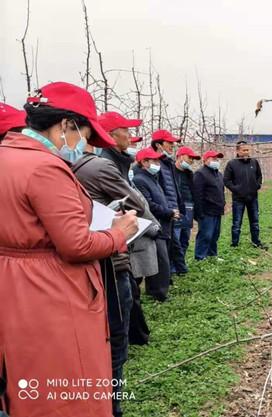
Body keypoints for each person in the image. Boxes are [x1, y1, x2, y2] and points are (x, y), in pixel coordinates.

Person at [0, 81, 138, 417]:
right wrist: (119, 233)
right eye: (86, 136)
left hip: (16, 287)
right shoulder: (45, 167)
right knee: (68, 385)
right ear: (66, 125)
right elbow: (76, 243)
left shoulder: (8, 156)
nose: (85, 146)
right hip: (51, 292)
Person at [73, 111, 147, 417]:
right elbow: (138, 204)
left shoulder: (75, 166)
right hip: (108, 260)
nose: (129, 138)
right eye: (125, 132)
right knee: (114, 340)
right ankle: (110, 406)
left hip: (93, 262)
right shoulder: (100, 167)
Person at [132, 147, 176, 301]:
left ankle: (155, 289)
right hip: (154, 225)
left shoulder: (152, 178)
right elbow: (147, 205)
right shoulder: (139, 179)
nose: (158, 164)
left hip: (162, 223)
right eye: (155, 160)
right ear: (144, 162)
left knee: (161, 258)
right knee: (161, 259)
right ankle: (159, 293)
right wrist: (167, 212)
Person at [151, 129, 186, 275]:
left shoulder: (167, 162)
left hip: (171, 211)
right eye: (169, 143)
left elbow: (173, 188)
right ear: (159, 144)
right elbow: (158, 192)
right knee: (165, 247)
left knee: (173, 244)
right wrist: (168, 210)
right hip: (162, 213)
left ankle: (174, 273)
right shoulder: (154, 163)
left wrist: (178, 207)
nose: (172, 145)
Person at [224, 140, 267, 249]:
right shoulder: (231, 164)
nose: (246, 152)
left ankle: (256, 242)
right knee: (237, 223)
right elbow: (226, 180)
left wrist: (257, 186)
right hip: (238, 198)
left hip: (253, 198)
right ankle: (234, 244)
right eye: (244, 150)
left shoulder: (254, 162)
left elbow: (259, 176)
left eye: (248, 150)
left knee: (255, 222)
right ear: (238, 151)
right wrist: (236, 189)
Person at [193, 150, 226, 260]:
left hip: (217, 210)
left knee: (214, 235)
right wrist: (199, 212)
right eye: (213, 159)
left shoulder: (219, 174)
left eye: (217, 159)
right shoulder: (200, 174)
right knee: (205, 235)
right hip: (206, 211)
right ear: (205, 160)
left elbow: (221, 190)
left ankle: (212, 255)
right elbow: (197, 194)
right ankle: (200, 257)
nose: (216, 161)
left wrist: (223, 204)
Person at [173, 146, 201, 271]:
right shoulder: (170, 172)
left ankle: (181, 264)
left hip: (189, 207)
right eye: (189, 158)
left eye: (193, 159)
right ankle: (173, 267)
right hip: (176, 208)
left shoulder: (189, 174)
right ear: (180, 156)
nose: (191, 161)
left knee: (185, 238)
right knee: (176, 240)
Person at [99, 111, 142, 184]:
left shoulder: (120, 160)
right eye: (125, 130)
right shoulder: (106, 164)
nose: (130, 135)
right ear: (110, 135)